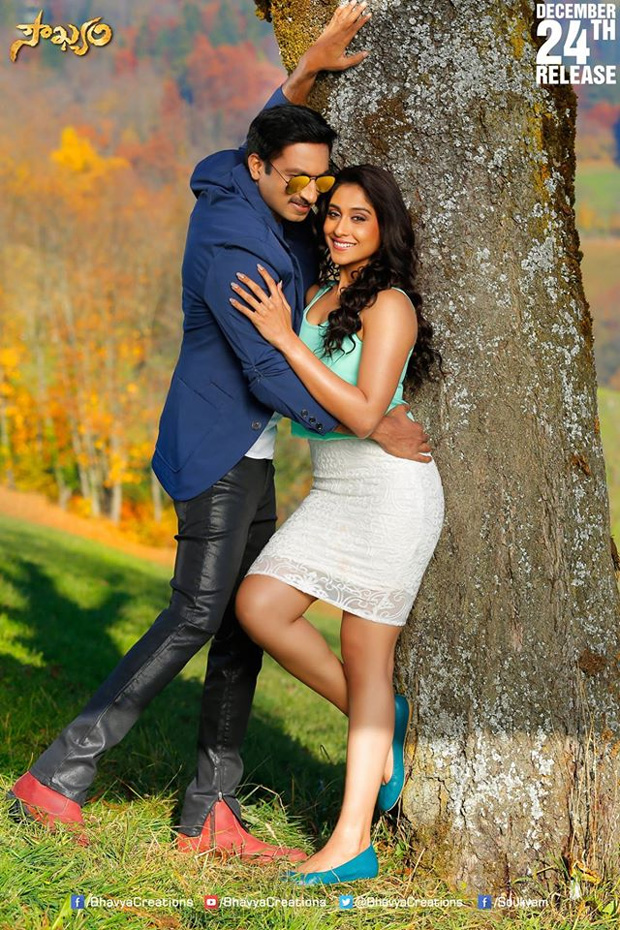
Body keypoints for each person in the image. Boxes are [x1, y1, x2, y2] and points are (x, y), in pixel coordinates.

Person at [7, 4, 432, 861]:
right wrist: (365, 425)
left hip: (256, 453)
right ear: (257, 170)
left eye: (320, 187)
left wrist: (305, 72)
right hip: (218, 445)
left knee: (243, 622)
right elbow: (267, 369)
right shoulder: (237, 240)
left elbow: (272, 137)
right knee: (197, 611)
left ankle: (210, 813)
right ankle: (58, 776)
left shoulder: (254, 182)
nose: (311, 201)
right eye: (297, 184)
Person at [232, 164, 445, 883]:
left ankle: (352, 842)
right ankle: (378, 722)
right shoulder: (318, 295)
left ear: (385, 228)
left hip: (391, 494)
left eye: (359, 217)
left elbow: (362, 410)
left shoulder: (391, 304)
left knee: (365, 651)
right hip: (334, 489)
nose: (341, 228)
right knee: (260, 605)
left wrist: (287, 341)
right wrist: (285, 339)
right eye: (334, 214)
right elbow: (307, 401)